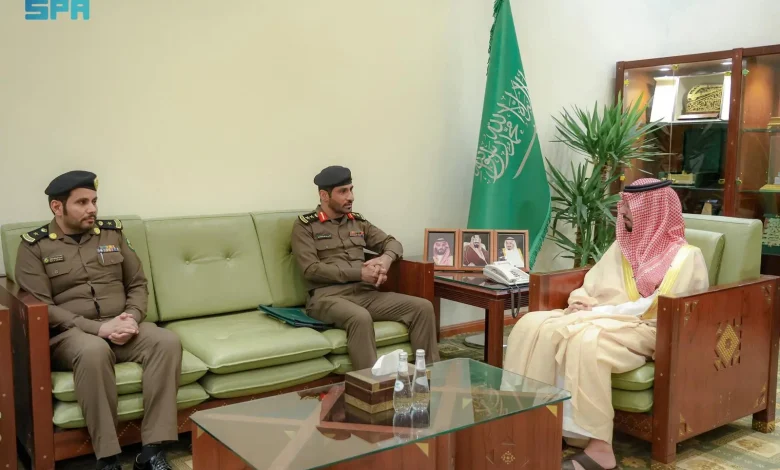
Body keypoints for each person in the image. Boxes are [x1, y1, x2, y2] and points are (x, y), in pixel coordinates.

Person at [503, 178, 709, 470]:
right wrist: (579, 301)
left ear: (654, 210)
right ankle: (540, 422)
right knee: (532, 325)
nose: (621, 210)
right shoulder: (622, 246)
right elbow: (593, 284)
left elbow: (663, 307)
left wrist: (600, 311)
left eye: (629, 206)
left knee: (586, 341)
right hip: (605, 318)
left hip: (651, 329)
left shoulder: (686, 257)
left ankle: (600, 448)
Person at [15, 171, 182, 470]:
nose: (92, 208)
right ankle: (108, 459)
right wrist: (99, 328)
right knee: (94, 350)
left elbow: (137, 284)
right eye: (82, 202)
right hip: (71, 335)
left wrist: (131, 319)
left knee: (166, 341)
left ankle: (151, 452)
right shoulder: (34, 247)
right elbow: (43, 307)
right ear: (57, 207)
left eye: (94, 201)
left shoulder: (111, 234)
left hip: (121, 324)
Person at [291, 165, 440, 371]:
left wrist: (386, 259)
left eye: (351, 190)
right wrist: (360, 273)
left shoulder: (358, 223)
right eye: (343, 191)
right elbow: (311, 269)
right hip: (326, 299)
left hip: (365, 294)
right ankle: (370, 384)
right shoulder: (305, 226)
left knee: (422, 308)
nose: (350, 197)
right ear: (324, 195)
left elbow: (393, 243)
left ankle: (429, 377)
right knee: (359, 317)